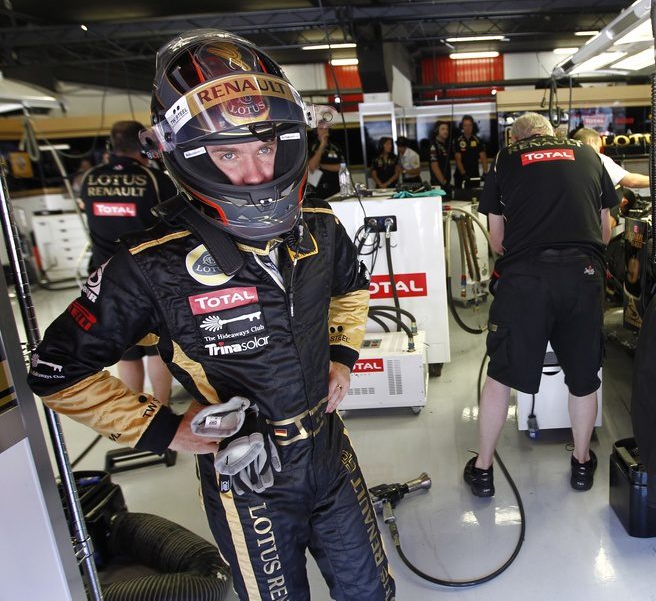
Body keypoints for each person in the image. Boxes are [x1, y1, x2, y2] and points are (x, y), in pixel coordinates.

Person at [27, 30, 394, 601]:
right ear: (188, 155)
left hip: (329, 452)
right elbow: (55, 372)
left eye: (265, 148)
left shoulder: (319, 224)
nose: (254, 172)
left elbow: (351, 289)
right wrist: (166, 430)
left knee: (371, 592)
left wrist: (343, 356)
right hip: (250, 476)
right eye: (228, 153)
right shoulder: (150, 265)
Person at [466, 112, 618, 496]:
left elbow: (498, 240)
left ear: (516, 140)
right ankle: (582, 464)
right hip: (584, 276)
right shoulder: (588, 154)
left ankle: (483, 470)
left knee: (501, 376)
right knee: (584, 379)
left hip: (526, 281)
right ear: (553, 134)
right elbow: (605, 230)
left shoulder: (505, 160)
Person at [78, 120, 179, 406]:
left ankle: (137, 413)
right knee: (156, 350)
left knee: (126, 350)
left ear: (112, 145)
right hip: (146, 277)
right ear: (144, 145)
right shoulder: (154, 179)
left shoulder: (90, 179)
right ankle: (162, 407)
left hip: (104, 277)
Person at [572, 127, 651, 189]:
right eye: (598, 146)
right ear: (591, 141)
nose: (599, 150)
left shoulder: (566, 157)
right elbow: (632, 181)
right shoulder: (597, 158)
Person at [305, 125, 344, 198]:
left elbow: (341, 167)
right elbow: (312, 167)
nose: (324, 131)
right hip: (317, 189)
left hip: (335, 188)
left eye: (326, 128)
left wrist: (322, 166)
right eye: (321, 129)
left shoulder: (335, 146)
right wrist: (322, 146)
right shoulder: (310, 146)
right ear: (316, 131)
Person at [452, 115, 488, 190]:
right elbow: (458, 159)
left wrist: (485, 172)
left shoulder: (478, 140)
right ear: (462, 126)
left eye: (469, 125)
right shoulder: (457, 141)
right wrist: (463, 174)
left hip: (474, 175)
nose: (467, 128)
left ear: (473, 126)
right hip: (460, 176)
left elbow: (483, 158)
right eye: (465, 125)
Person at [428, 120, 452, 192]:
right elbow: (434, 166)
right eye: (443, 129)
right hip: (438, 185)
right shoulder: (433, 146)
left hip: (445, 183)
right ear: (436, 131)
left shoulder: (444, 145)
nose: (446, 131)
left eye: (447, 129)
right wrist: (444, 183)